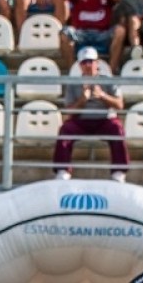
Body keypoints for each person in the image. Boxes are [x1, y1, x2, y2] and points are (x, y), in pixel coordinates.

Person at [54, 46, 128, 182]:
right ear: (80, 65)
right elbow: (69, 110)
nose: (88, 65)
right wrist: (82, 100)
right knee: (65, 129)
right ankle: (63, 170)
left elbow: (120, 105)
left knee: (117, 129)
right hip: (81, 121)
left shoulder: (108, 80)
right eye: (84, 62)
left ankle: (119, 171)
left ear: (97, 63)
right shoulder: (73, 83)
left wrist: (103, 96)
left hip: (104, 120)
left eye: (90, 61)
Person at [57, 0, 121, 69]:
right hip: (80, 33)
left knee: (120, 30)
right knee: (65, 32)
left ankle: (110, 71)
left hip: (102, 34)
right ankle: (73, 71)